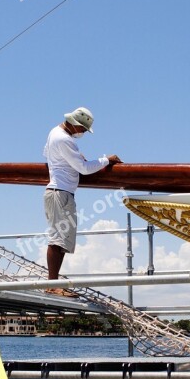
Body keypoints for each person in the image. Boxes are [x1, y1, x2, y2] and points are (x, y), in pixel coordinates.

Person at [43, 107, 121, 297]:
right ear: (76, 125)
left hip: (58, 192)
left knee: (60, 240)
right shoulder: (64, 139)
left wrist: (75, 159)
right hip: (61, 193)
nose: (83, 133)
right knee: (58, 241)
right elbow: (85, 169)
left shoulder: (55, 133)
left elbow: (47, 156)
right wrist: (106, 160)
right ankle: (52, 284)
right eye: (83, 129)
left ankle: (53, 282)